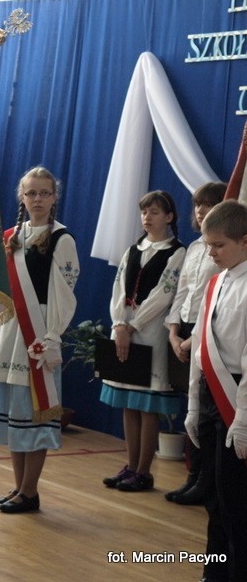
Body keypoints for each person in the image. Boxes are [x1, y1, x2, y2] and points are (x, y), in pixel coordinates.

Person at [0, 166, 80, 514]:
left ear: (55, 197)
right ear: (22, 196)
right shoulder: (11, 236)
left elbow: (64, 294)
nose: (38, 199)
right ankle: (18, 487)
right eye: (31, 193)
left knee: (34, 414)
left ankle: (30, 490)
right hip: (9, 330)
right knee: (14, 415)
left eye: (45, 193)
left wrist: (52, 337)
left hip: (37, 334)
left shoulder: (61, 239)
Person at [100, 190, 185, 492]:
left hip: (151, 334)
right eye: (144, 212)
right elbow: (118, 288)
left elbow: (164, 294)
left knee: (148, 405)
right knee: (128, 402)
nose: (147, 217)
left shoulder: (176, 252)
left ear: (169, 217)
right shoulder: (132, 249)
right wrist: (119, 323)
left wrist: (133, 325)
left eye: (155, 212)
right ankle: (130, 464)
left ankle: (144, 471)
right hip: (126, 330)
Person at [185, 199, 247, 582]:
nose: (211, 252)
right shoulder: (215, 282)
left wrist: (242, 420)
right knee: (213, 496)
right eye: (208, 244)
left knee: (236, 501)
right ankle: (216, 572)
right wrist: (194, 404)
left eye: (219, 245)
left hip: (239, 399)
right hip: (211, 396)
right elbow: (199, 347)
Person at [164, 181, 226, 505]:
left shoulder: (223, 250)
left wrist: (192, 341)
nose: (200, 211)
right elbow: (183, 293)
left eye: (208, 204)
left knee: (205, 410)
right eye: (197, 205)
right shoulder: (192, 248)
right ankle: (192, 475)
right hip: (186, 330)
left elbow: (212, 299)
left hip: (209, 333)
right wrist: (174, 332)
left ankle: (206, 480)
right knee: (190, 406)